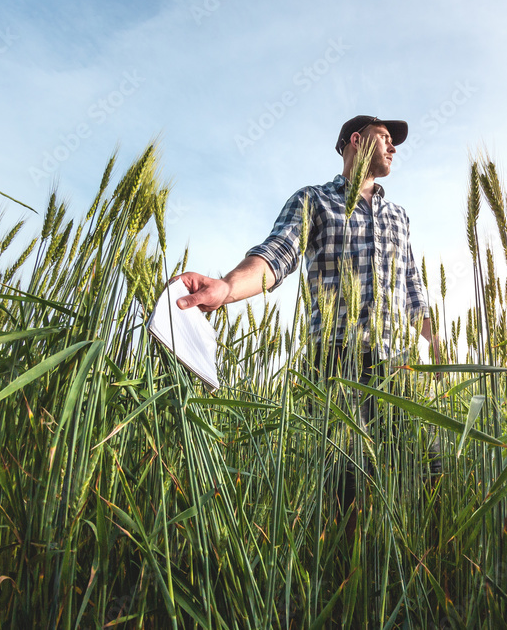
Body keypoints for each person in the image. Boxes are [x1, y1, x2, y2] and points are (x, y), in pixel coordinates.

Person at [171, 114, 441, 513]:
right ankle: (342, 571)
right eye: (384, 137)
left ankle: (423, 563)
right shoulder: (313, 199)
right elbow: (276, 254)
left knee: (430, 465)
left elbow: (412, 286)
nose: (393, 146)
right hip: (334, 362)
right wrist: (227, 288)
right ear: (356, 140)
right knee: (348, 480)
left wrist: (435, 341)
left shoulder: (398, 216)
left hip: (396, 365)